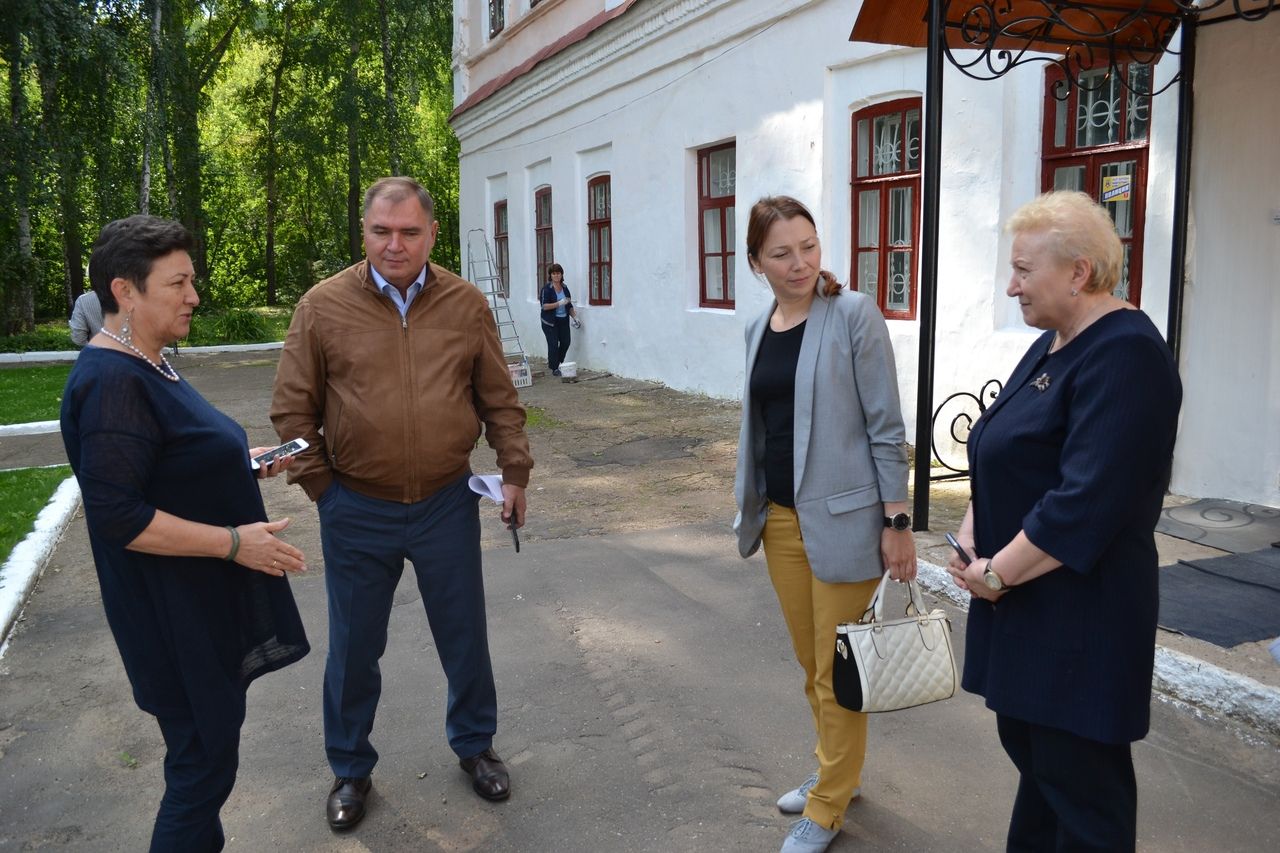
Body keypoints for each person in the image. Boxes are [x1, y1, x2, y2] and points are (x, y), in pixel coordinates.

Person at [270, 176, 533, 831]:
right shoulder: (322, 307)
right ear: (363, 232)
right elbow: (291, 410)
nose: (395, 244)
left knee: (464, 636)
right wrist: (323, 489)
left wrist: (515, 472)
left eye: (409, 232)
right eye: (382, 231)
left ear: (431, 234)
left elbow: (498, 400)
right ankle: (350, 767)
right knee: (354, 648)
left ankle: (476, 746)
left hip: (446, 501)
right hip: (357, 506)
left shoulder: (466, 304)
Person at [59, 215, 310, 852]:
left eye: (191, 280)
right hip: (171, 616)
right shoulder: (112, 381)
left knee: (203, 759)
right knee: (202, 767)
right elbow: (118, 515)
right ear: (125, 291)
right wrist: (235, 543)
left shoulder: (148, 362)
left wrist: (240, 459)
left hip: (193, 605)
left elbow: (167, 461)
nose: (194, 295)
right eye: (178, 283)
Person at [945, 191, 1182, 852]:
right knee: (1043, 775)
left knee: (1084, 801)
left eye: (1024, 269)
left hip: (1081, 623)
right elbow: (1005, 445)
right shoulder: (1057, 341)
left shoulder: (1126, 354)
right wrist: (970, 532)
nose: (1011, 284)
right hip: (1028, 607)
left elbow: (1085, 499)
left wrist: (996, 569)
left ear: (1078, 273)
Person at [733, 195, 916, 853]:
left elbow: (886, 426)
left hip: (845, 523)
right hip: (782, 521)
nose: (800, 262)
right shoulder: (758, 329)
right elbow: (761, 429)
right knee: (811, 662)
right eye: (781, 253)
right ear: (756, 262)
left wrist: (897, 520)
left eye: (808, 246)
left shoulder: (852, 316)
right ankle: (836, 769)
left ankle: (829, 804)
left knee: (839, 668)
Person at [539, 263, 577, 375]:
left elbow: (569, 305)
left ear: (561, 275)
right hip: (550, 322)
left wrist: (575, 317)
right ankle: (554, 368)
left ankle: (559, 362)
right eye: (554, 274)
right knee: (553, 344)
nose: (556, 276)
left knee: (566, 342)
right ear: (550, 275)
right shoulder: (547, 289)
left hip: (563, 319)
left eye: (558, 273)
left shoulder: (565, 288)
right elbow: (544, 306)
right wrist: (559, 303)